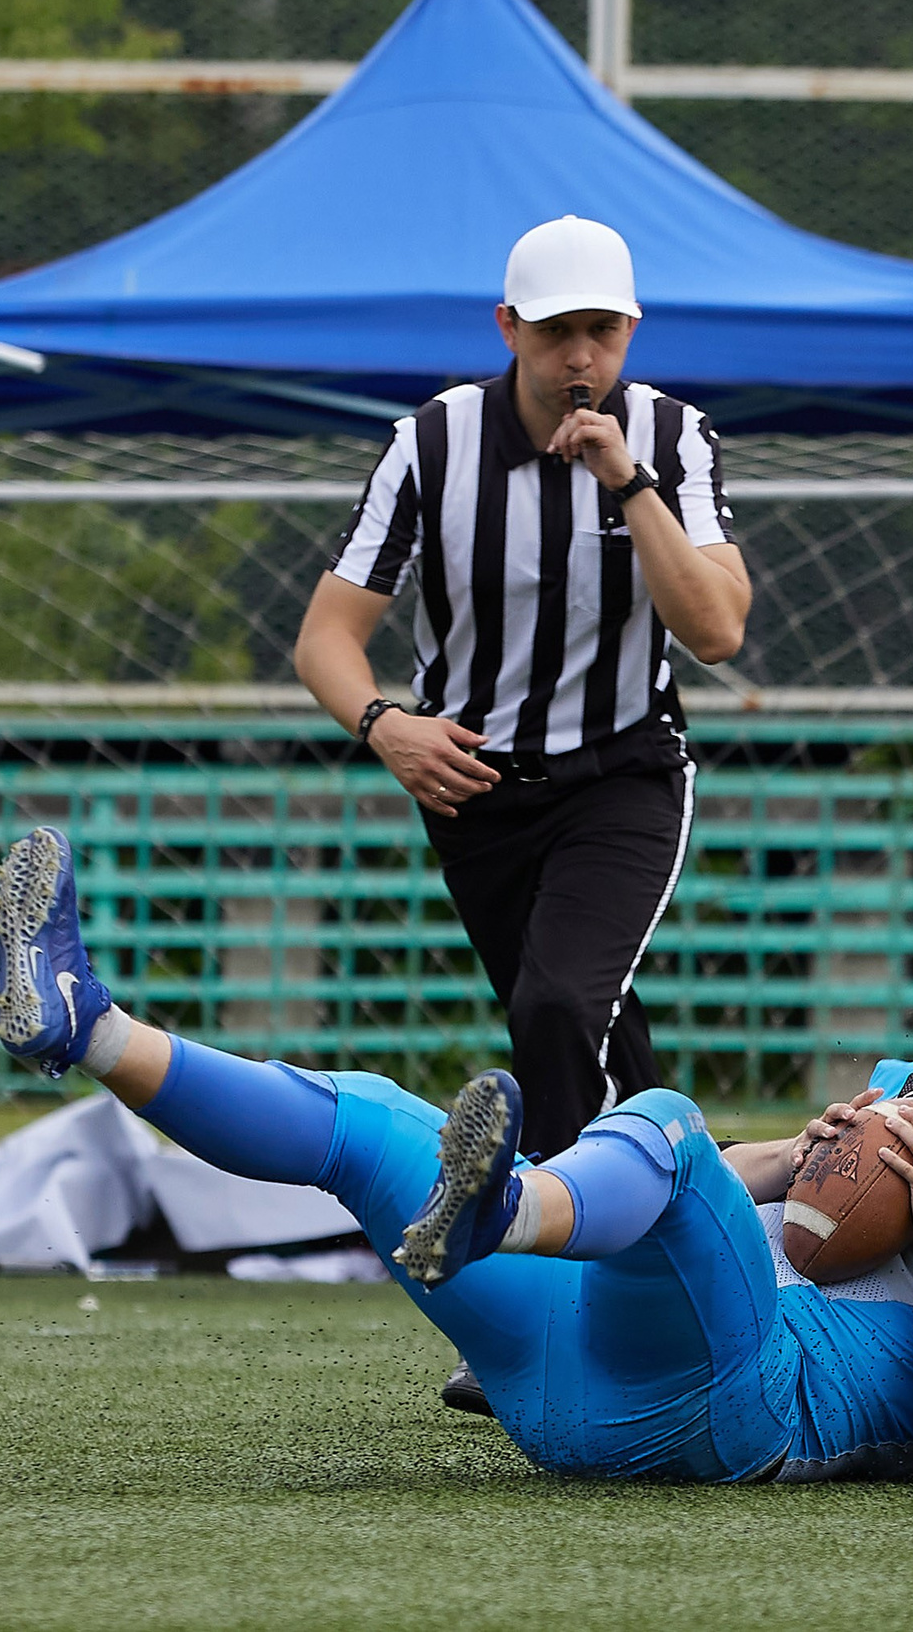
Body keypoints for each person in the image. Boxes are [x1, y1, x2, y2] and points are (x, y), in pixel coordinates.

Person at [0, 825, 913, 1485]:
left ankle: (506, 1210)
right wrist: (794, 1156)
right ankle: (88, 1025)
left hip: (749, 1402)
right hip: (577, 1372)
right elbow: (717, 1209)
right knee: (366, 1119)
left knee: (664, 1126)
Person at [294, 214, 750, 1164]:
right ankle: (682, 1194)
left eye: (602, 331)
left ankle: (555, 1221)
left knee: (560, 1007)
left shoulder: (671, 436)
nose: (580, 357)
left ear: (632, 328)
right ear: (507, 327)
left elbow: (717, 631)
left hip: (622, 770)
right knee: (577, 1025)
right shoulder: (432, 443)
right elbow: (326, 637)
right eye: (554, 331)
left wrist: (628, 482)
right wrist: (385, 725)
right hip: (474, 787)